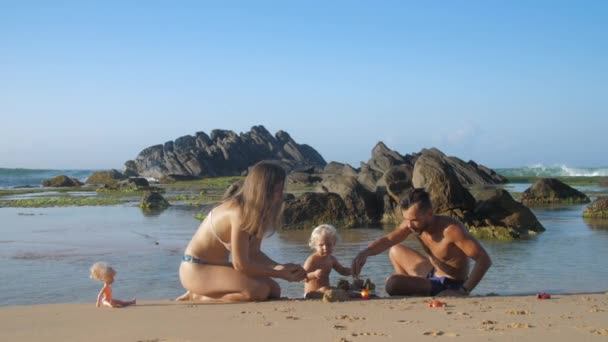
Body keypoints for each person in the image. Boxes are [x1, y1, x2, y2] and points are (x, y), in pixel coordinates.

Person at [177, 161, 307, 302]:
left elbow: (254, 253)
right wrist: (279, 274)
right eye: (278, 190)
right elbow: (240, 264)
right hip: (196, 269)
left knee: (274, 290)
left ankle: (204, 293)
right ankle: (198, 296)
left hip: (216, 267)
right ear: (264, 190)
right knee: (259, 291)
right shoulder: (238, 212)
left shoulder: (257, 213)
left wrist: (280, 267)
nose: (281, 195)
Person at [351, 188, 492, 297]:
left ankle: (403, 288)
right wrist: (364, 253)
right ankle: (408, 289)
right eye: (407, 219)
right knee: (395, 250)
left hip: (450, 283)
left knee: (392, 283)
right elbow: (388, 240)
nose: (409, 225)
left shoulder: (451, 230)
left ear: (429, 213)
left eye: (414, 220)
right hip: (432, 273)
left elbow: (484, 260)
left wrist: (463, 291)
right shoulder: (412, 224)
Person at [303, 224, 352, 298]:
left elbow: (342, 271)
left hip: (325, 292)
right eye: (321, 245)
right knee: (326, 289)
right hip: (311, 293)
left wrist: (352, 271)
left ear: (334, 243)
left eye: (328, 244)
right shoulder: (312, 260)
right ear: (314, 245)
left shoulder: (332, 259)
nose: (325, 247)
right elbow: (302, 277)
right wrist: (314, 274)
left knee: (343, 286)